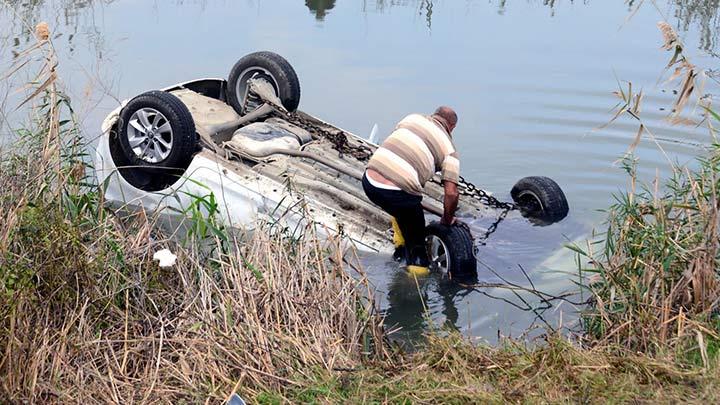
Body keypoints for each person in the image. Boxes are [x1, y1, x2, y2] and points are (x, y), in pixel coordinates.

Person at [362, 106, 460, 276]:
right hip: (397, 192)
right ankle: (413, 289)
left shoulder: (411, 118)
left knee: (402, 209)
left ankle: (400, 248)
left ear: (434, 115)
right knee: (418, 251)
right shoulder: (449, 150)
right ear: (452, 127)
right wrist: (447, 219)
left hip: (369, 181)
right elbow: (451, 193)